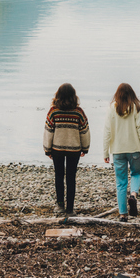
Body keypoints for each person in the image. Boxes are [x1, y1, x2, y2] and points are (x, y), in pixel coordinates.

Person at [43, 83, 91, 215]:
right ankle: (70, 208)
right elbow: (85, 131)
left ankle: (59, 206)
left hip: (57, 149)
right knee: (71, 177)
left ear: (58, 96)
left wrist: (47, 149)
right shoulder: (78, 112)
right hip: (74, 149)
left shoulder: (53, 111)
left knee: (59, 176)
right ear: (73, 96)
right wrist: (85, 148)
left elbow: (48, 131)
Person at [103, 83, 140, 222]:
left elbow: (107, 132)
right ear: (132, 94)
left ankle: (123, 214)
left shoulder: (112, 108)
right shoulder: (136, 108)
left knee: (121, 182)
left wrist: (105, 152)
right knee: (136, 173)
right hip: (134, 149)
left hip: (118, 151)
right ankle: (133, 195)